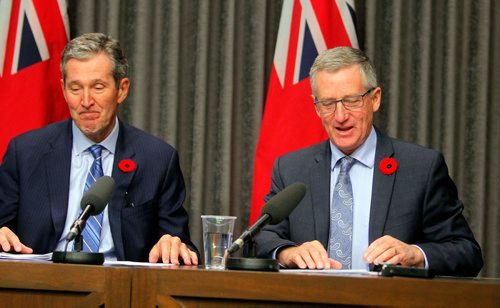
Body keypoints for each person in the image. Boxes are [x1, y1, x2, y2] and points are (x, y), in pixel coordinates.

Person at [254, 47, 483, 277]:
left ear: (375, 99)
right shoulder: (292, 168)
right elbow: (263, 238)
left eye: (351, 101)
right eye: (328, 104)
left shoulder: (421, 168)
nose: (340, 116)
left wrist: (415, 254)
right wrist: (287, 252)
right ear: (316, 107)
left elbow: (466, 252)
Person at [0, 33, 198, 265]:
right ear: (63, 90)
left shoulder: (157, 159)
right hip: (44, 288)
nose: (86, 101)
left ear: (122, 90)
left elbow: (180, 245)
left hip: (122, 292)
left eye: (98, 87)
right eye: (75, 88)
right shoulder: (25, 153)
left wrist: (172, 244)